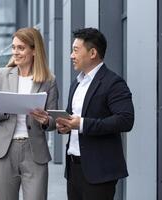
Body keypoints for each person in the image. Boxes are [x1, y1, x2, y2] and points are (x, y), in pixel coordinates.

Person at [55, 28, 134, 200]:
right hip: (74, 169)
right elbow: (72, 118)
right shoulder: (76, 84)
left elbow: (125, 120)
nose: (71, 55)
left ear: (92, 53)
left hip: (100, 171)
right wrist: (62, 125)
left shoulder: (113, 83)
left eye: (76, 50)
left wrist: (82, 124)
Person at [0, 27, 58, 200]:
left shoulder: (49, 81)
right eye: (14, 47)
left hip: (34, 152)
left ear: (34, 50)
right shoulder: (1, 75)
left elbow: (54, 121)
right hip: (4, 151)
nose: (15, 52)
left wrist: (46, 120)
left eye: (21, 48)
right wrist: (5, 110)